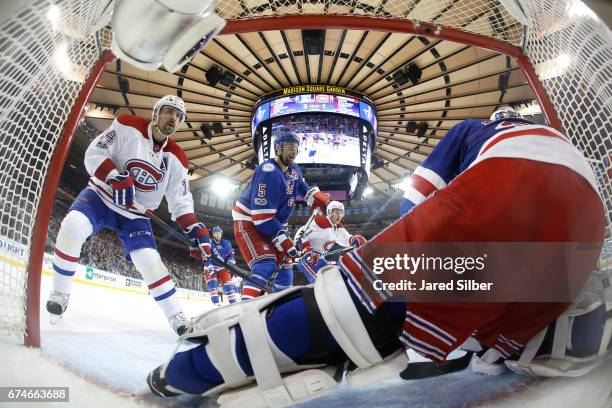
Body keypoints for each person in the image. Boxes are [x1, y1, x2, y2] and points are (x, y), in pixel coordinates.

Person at [147, 106, 606, 404]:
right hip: (588, 225)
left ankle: (189, 371)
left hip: (507, 190)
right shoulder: (271, 170)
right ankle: (497, 339)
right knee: (495, 310)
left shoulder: (475, 129)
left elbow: (420, 201)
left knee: (351, 310)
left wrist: (394, 258)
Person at [46, 95, 211, 335]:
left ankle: (178, 318)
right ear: (155, 114)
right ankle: (59, 294)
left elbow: (181, 201)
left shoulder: (177, 158)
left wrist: (195, 229)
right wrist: (114, 177)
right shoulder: (126, 125)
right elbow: (95, 153)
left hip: (135, 215)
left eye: (178, 116)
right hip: (101, 196)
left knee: (149, 262)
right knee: (72, 226)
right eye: (168, 111)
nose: (172, 118)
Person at [231, 133, 330, 299]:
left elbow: (302, 187)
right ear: (277, 148)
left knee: (286, 270)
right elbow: (261, 219)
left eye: (297, 147)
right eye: (290, 146)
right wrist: (285, 241)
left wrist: (316, 198)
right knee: (265, 265)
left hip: (272, 223)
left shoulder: (294, 170)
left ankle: (278, 309)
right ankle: (245, 310)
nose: (295, 150)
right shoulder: (268, 171)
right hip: (250, 221)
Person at [296, 200, 366, 283]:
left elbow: (345, 239)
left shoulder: (337, 227)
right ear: (329, 212)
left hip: (318, 258)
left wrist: (354, 240)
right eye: (336, 212)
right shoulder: (321, 221)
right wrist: (306, 251)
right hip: (305, 258)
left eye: (341, 212)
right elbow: (301, 234)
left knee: (331, 282)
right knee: (320, 283)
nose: (339, 215)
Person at [204, 226, 238, 306]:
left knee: (229, 287)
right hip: (210, 267)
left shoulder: (226, 243)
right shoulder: (208, 243)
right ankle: (216, 304)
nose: (218, 235)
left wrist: (231, 262)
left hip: (222, 267)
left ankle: (234, 304)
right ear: (213, 234)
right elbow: (205, 256)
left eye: (219, 233)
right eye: (216, 233)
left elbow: (231, 255)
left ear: (221, 233)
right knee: (212, 285)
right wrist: (209, 266)